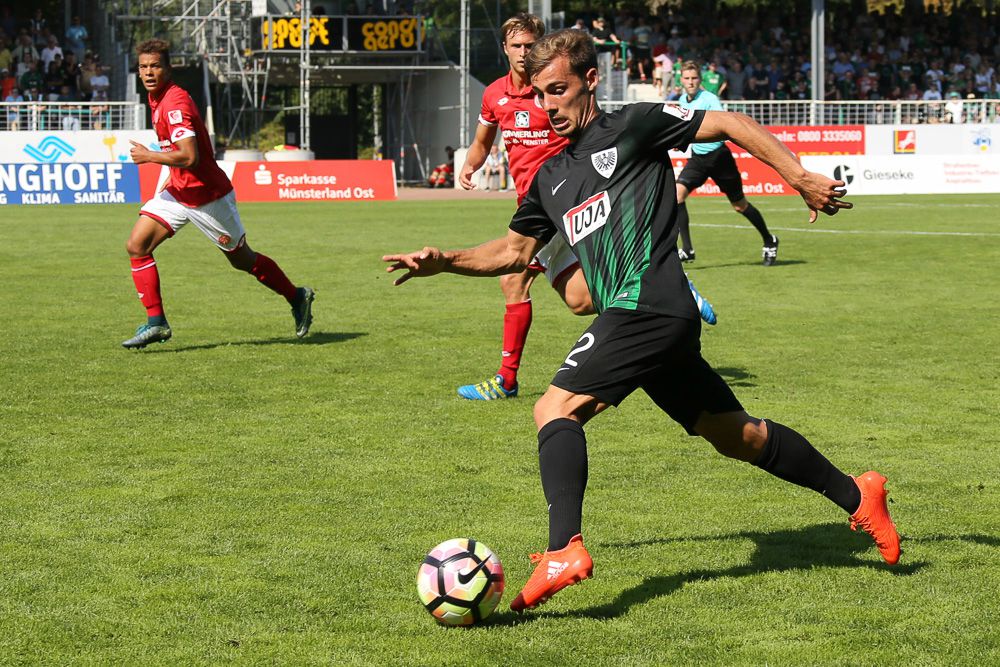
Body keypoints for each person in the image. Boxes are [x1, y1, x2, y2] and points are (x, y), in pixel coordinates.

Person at [383, 28, 899, 613]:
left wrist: (798, 176)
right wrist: (444, 262)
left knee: (554, 407)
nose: (549, 106)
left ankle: (564, 550)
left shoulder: (633, 126)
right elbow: (513, 252)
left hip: (647, 306)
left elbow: (728, 123)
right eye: (541, 95)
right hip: (650, 326)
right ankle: (858, 493)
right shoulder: (552, 179)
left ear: (591, 81)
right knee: (738, 436)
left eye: (560, 90)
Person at [457, 14, 716, 401]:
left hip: (568, 203)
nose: (524, 53)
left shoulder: (555, 92)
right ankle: (666, 284)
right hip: (535, 207)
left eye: (532, 45)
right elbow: (482, 140)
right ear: (505, 50)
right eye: (517, 46)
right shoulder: (495, 94)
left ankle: (506, 380)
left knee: (512, 279)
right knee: (580, 300)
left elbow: (585, 141)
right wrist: (471, 164)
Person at [122, 39, 314, 349]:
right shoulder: (156, 98)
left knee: (243, 261)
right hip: (179, 193)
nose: (148, 72)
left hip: (208, 197)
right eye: (143, 67)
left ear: (168, 69)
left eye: (155, 66)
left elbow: (189, 156)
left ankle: (297, 296)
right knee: (137, 245)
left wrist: (150, 156)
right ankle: (156, 323)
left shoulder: (174, 104)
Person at [674, 61, 780, 265]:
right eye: (687, 78)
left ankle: (769, 240)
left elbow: (723, 130)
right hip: (698, 159)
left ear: (700, 79)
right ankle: (687, 249)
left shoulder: (710, 99)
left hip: (718, 157)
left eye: (694, 78)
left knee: (740, 206)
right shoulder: (682, 101)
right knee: (677, 195)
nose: (690, 82)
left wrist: (691, 137)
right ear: (681, 80)